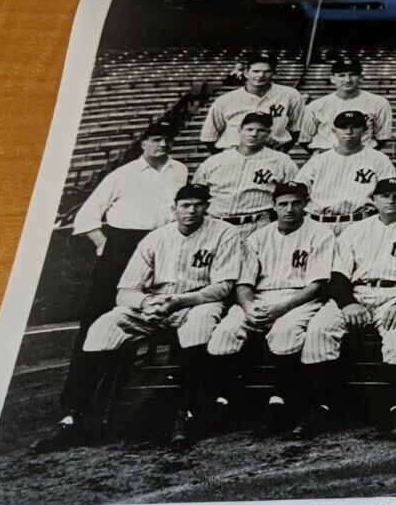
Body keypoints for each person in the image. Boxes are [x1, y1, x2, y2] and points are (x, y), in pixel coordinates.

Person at [37, 184, 244, 449]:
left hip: (197, 302)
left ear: (207, 207)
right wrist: (147, 302)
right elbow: (126, 291)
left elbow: (223, 287)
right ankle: (73, 418)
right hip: (155, 304)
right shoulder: (156, 238)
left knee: (200, 326)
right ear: (174, 208)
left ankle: (186, 413)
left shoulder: (225, 233)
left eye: (198, 204)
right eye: (185, 205)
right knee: (103, 327)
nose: (191, 211)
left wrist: (179, 301)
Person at [297, 177, 396, 437]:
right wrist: (348, 303)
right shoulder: (354, 230)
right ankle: (322, 407)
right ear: (373, 200)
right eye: (385, 195)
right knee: (319, 330)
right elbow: (338, 275)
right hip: (357, 292)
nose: (391, 200)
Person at [205, 182, 334, 430]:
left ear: (306, 204)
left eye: (296, 203)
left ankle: (282, 398)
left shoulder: (321, 234)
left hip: (300, 296)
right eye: (283, 204)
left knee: (285, 333)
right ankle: (225, 398)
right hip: (261, 297)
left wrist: (280, 309)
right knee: (224, 334)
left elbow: (317, 284)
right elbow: (244, 283)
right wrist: (248, 306)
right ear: (273, 206)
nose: (289, 209)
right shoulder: (257, 237)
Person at [68, 122, 188, 363]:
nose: (162, 144)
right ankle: (81, 388)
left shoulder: (180, 170)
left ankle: (125, 369)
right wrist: (105, 245)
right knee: (102, 311)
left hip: (163, 243)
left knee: (149, 307)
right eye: (155, 139)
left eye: (167, 139)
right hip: (123, 245)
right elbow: (86, 216)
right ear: (143, 143)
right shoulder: (123, 174)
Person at [191, 111, 300, 237]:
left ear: (268, 133)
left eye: (261, 130)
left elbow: (295, 196)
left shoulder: (282, 161)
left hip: (257, 225)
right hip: (215, 225)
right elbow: (196, 195)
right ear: (239, 130)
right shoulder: (215, 161)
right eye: (249, 129)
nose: (254, 134)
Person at [297, 110, 395, 233]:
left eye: (354, 127)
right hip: (319, 224)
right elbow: (298, 192)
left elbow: (389, 196)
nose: (349, 132)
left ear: (364, 130)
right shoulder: (318, 161)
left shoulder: (379, 160)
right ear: (334, 130)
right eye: (343, 127)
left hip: (359, 224)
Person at [199, 52, 304, 152]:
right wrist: (225, 159)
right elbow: (208, 137)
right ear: (246, 73)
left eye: (267, 72)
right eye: (256, 71)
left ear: (274, 73)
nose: (261, 75)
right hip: (233, 151)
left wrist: (283, 152)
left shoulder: (291, 95)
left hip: (273, 152)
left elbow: (296, 129)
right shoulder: (225, 100)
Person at [300, 56, 393, 152]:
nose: (347, 80)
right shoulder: (316, 105)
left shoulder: (379, 103)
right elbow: (304, 139)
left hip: (363, 155)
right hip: (326, 153)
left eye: (353, 75)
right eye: (341, 75)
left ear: (361, 78)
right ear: (332, 78)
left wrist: (368, 154)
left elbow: (383, 137)